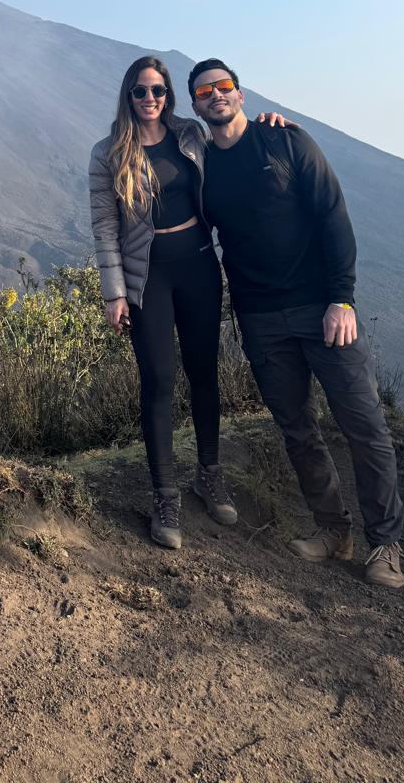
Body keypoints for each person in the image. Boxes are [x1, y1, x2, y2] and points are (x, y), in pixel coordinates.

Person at [188, 58, 404, 589]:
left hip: (322, 310)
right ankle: (334, 531)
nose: (215, 95)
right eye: (204, 91)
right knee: (298, 431)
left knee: (364, 425)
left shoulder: (286, 141)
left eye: (224, 86)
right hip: (260, 318)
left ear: (240, 93)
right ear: (194, 105)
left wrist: (343, 299)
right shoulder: (201, 166)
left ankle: (386, 545)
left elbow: (333, 213)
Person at [88, 55, 288, 550]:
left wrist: (268, 125)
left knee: (204, 374)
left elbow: (231, 138)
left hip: (199, 266)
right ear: (127, 96)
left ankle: (209, 474)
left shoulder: (189, 137)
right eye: (140, 91)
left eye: (158, 90)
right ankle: (165, 496)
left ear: (169, 95)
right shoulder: (109, 152)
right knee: (157, 380)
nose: (150, 99)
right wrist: (115, 292)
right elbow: (104, 226)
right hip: (147, 277)